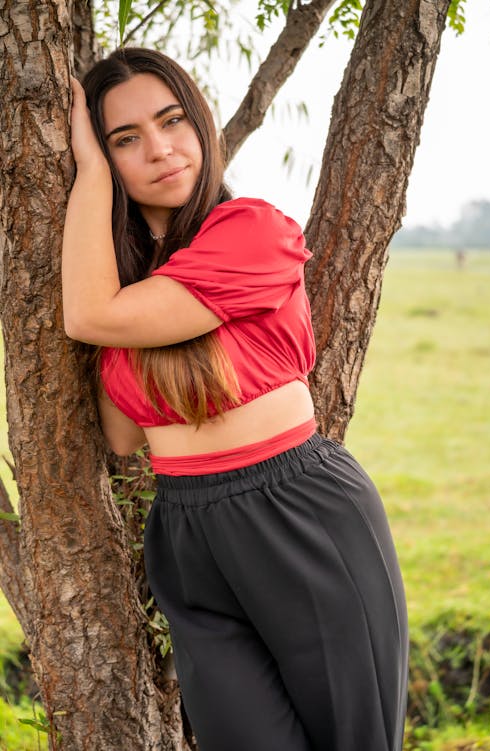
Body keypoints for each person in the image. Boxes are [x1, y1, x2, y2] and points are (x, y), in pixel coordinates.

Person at [63, 46, 408, 751]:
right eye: (123, 141)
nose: (159, 150)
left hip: (300, 511)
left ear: (202, 125)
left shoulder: (252, 231)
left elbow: (88, 318)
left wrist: (93, 172)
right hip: (187, 531)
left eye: (171, 121)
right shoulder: (133, 290)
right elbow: (123, 435)